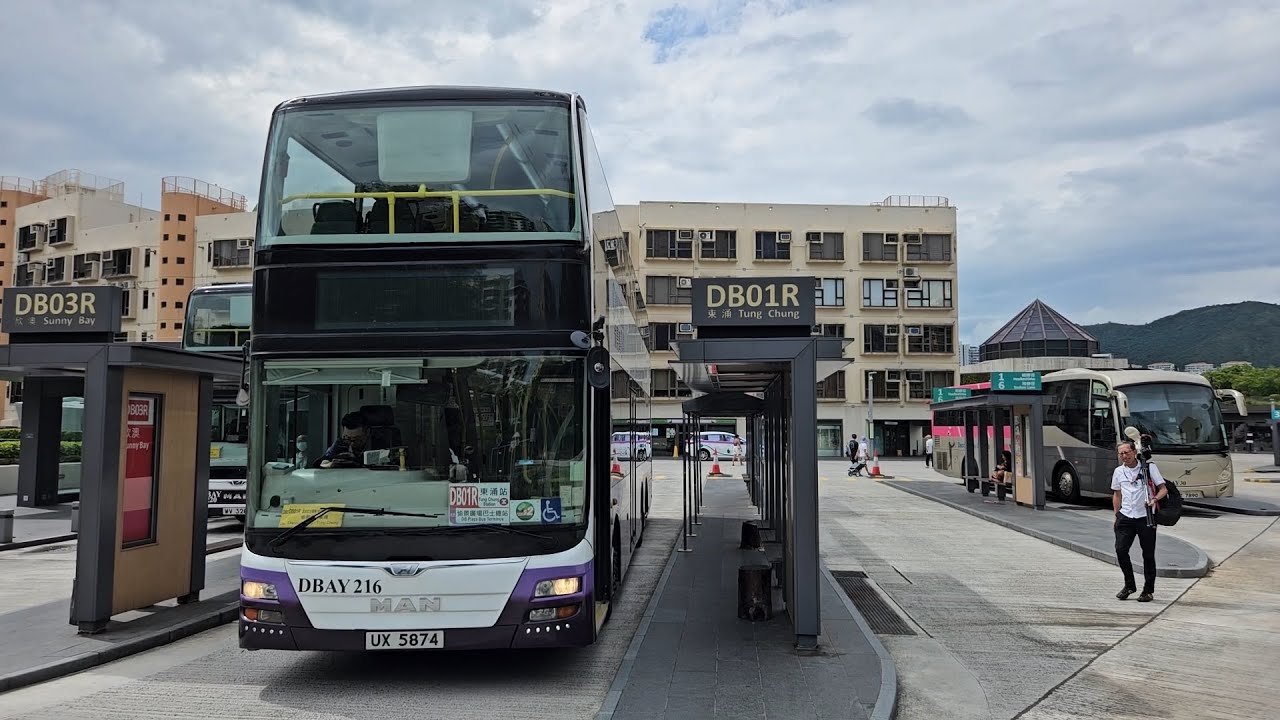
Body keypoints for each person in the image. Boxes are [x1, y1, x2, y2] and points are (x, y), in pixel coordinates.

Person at [1112, 441, 1168, 602]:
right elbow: (1117, 494)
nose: (1124, 456)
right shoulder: (1118, 472)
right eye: (1121, 453)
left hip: (1146, 517)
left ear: (1134, 451)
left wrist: (1154, 499)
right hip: (1126, 516)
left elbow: (1163, 488)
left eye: (1127, 452)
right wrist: (1117, 515)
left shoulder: (1149, 468)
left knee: (1148, 555)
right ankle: (1129, 585)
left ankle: (1148, 590)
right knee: (1121, 550)